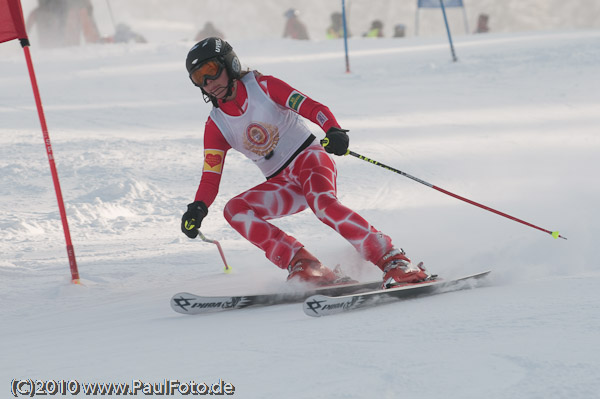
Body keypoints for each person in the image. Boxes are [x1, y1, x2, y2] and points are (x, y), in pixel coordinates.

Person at [180, 37, 430, 288]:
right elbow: (210, 176)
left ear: (230, 64)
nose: (208, 83)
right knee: (235, 210)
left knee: (322, 203)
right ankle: (306, 265)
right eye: (198, 78)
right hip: (283, 183)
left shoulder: (263, 86)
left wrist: (333, 130)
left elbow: (312, 107)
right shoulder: (217, 125)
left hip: (310, 160)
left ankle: (394, 260)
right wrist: (198, 207)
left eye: (210, 71)